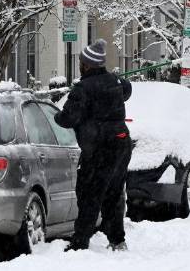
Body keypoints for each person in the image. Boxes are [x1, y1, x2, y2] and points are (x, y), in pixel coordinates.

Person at [53, 38, 133, 252]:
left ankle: (80, 243)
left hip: (99, 147)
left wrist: (57, 115)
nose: (80, 65)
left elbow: (68, 118)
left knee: (89, 194)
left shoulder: (83, 88)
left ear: (87, 65)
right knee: (114, 193)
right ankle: (117, 240)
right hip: (121, 143)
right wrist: (115, 82)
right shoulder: (116, 82)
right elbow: (127, 89)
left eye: (81, 62)